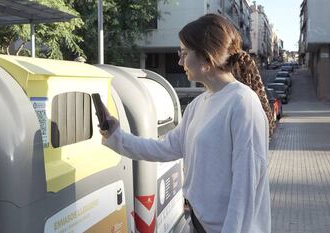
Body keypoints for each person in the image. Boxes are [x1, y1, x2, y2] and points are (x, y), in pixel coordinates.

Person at [100, 14, 271, 233]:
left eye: (184, 53)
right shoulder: (198, 105)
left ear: (207, 57)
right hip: (200, 224)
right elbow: (165, 148)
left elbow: (246, 188)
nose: (180, 61)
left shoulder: (243, 103)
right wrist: (116, 135)